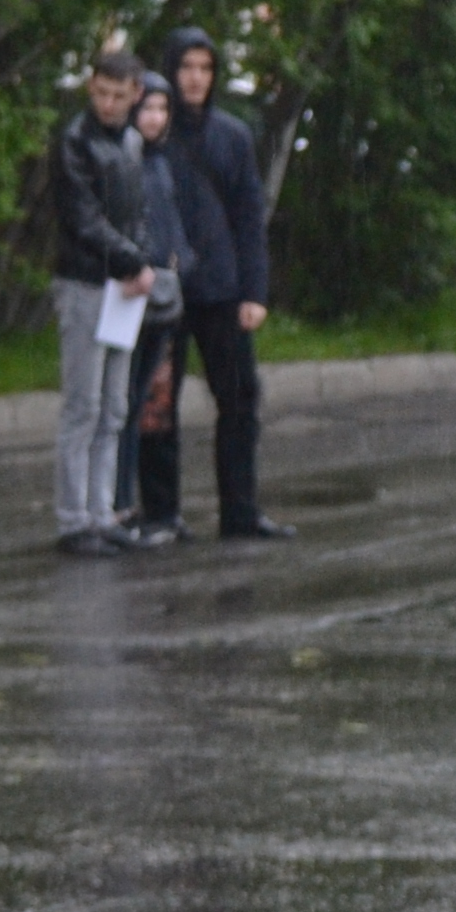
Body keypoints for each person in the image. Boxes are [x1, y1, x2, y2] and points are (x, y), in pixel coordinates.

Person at [157, 29, 291, 541]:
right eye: (186, 67)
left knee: (239, 400)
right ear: (171, 70)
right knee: (158, 407)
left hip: (221, 289)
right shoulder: (152, 130)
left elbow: (248, 218)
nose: (194, 77)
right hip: (163, 293)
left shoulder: (232, 135)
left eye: (204, 68)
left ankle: (240, 510)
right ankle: (162, 514)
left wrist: (254, 291)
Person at [46, 49, 154, 557]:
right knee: (83, 405)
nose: (108, 104)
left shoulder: (131, 142)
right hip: (87, 283)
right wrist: (134, 262)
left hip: (121, 287)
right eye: (101, 93)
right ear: (91, 88)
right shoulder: (74, 143)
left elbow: (134, 214)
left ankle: (101, 510)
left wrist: (138, 263)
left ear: (135, 95)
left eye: (119, 95)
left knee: (114, 406)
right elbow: (84, 221)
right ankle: (74, 519)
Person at [113, 75, 194, 548]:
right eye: (147, 108)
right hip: (130, 293)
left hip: (164, 297)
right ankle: (121, 504)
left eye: (162, 109)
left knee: (150, 405)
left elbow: (171, 223)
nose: (155, 118)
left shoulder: (162, 161)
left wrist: (181, 261)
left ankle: (149, 506)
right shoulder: (125, 159)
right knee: (123, 405)